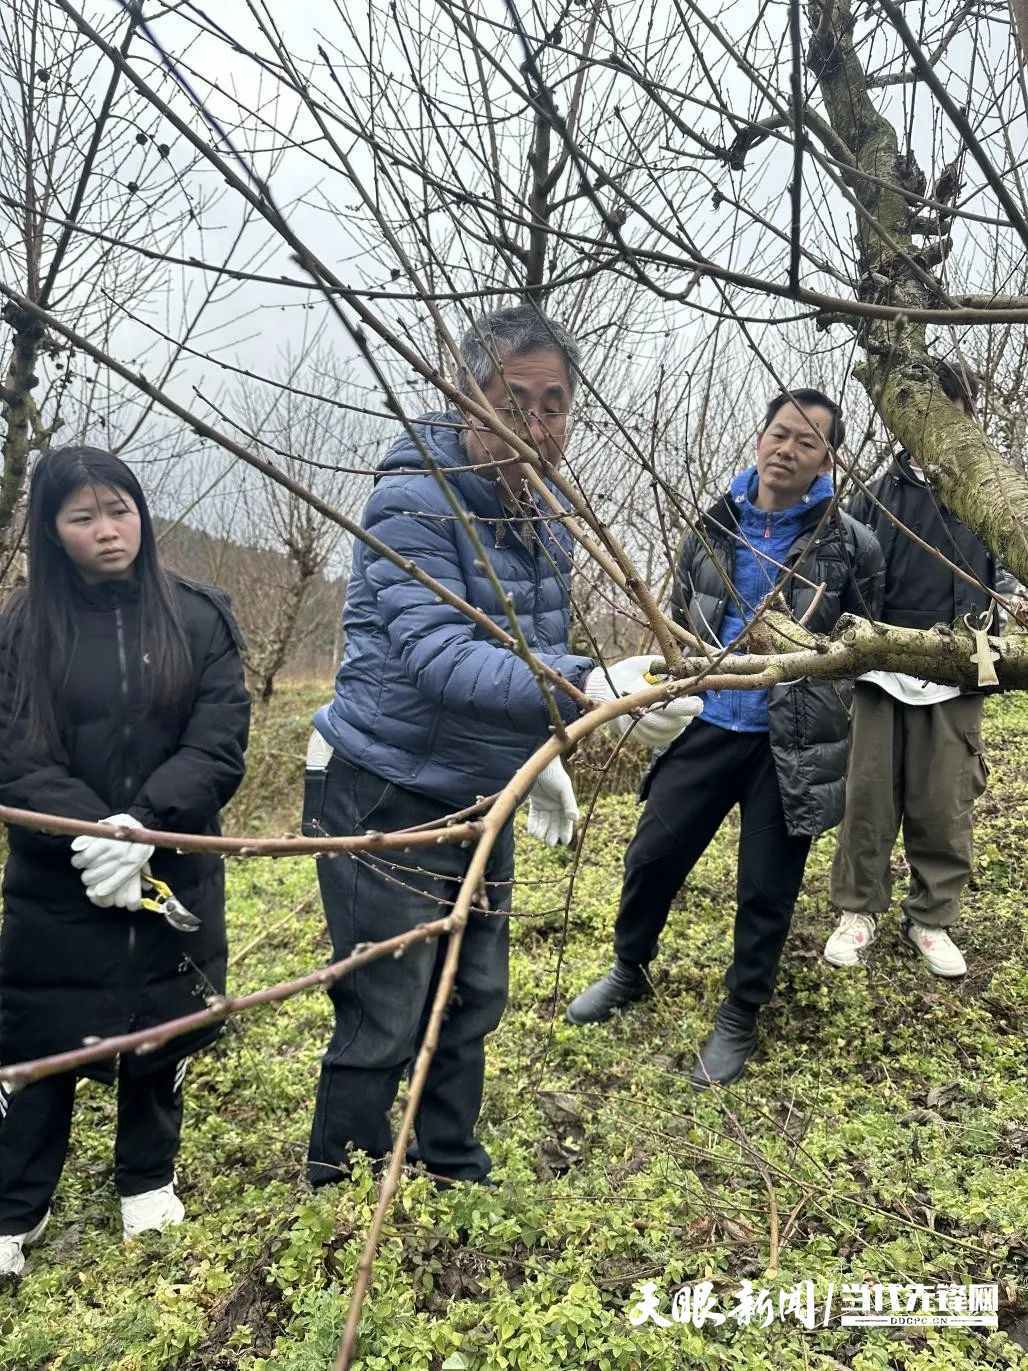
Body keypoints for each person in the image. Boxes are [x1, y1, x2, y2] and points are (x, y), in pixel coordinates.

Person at [304, 303, 700, 1189]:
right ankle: (339, 1185)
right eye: (513, 402)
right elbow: (446, 657)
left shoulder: (547, 515)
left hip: (485, 788)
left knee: (473, 994)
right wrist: (586, 688)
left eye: (554, 405)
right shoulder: (410, 501)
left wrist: (546, 751)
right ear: (464, 398)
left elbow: (521, 644)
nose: (536, 425)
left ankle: (450, 1163)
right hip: (384, 787)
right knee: (385, 1003)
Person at [566, 389, 885, 1088]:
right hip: (706, 721)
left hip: (790, 737)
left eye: (806, 442)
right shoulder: (711, 528)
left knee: (767, 886)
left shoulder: (851, 544)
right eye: (779, 434)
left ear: (828, 459)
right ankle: (630, 966)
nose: (787, 449)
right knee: (652, 852)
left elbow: (863, 642)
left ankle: (740, 1014)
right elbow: (677, 617)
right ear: (759, 440)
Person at [0, 446, 250, 1277]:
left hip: (172, 860)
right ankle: (15, 1203)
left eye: (121, 511)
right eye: (83, 518)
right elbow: (14, 752)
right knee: (44, 1035)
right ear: (51, 528)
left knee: (161, 1025)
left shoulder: (199, 616)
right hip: (55, 873)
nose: (108, 532)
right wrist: (91, 833)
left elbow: (219, 743)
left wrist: (143, 826)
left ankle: (147, 1175)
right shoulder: (20, 629)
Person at [825, 358, 1008, 976]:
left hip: (960, 663)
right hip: (883, 664)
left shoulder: (990, 494)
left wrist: (1011, 602)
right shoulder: (876, 494)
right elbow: (844, 568)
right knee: (869, 798)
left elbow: (1009, 564)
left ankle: (932, 918)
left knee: (943, 802)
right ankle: (857, 909)